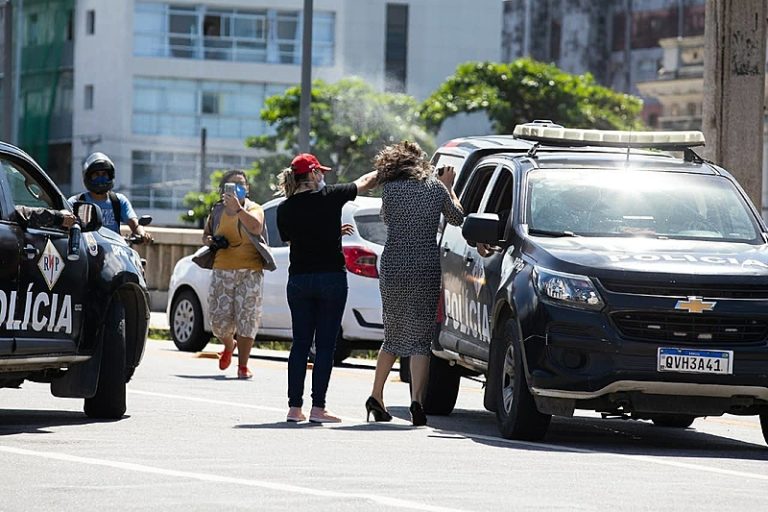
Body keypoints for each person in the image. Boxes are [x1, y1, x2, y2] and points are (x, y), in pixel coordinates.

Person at [366, 141, 464, 426]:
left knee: (392, 335)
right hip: (424, 264)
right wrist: (448, 186)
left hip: (394, 264)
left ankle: (376, 395)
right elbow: (457, 218)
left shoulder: (391, 190)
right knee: (421, 340)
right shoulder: (435, 188)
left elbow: (386, 218)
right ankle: (416, 402)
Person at [276, 153, 377, 423]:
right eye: (319, 172)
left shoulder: (284, 209)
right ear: (311, 175)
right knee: (324, 346)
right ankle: (318, 408)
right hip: (331, 278)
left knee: (299, 344)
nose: (323, 176)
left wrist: (331, 232)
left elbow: (298, 238)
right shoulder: (330, 196)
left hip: (299, 280)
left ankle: (294, 408)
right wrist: (387, 168)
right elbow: (365, 182)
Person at [202, 170, 266, 379]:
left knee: (248, 318)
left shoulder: (254, 208)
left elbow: (256, 228)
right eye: (231, 185)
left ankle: (243, 365)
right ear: (223, 190)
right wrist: (212, 241)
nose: (237, 188)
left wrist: (238, 209)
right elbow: (206, 236)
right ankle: (229, 344)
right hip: (222, 268)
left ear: (247, 188)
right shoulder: (218, 210)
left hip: (251, 270)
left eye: (241, 185)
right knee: (218, 321)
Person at [69, 152, 152, 243]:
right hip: (86, 252)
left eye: (104, 174)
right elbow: (64, 219)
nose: (101, 178)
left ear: (110, 176)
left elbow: (135, 224)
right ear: (88, 177)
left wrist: (143, 234)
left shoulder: (118, 201)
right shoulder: (76, 202)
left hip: (113, 252)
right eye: (96, 175)